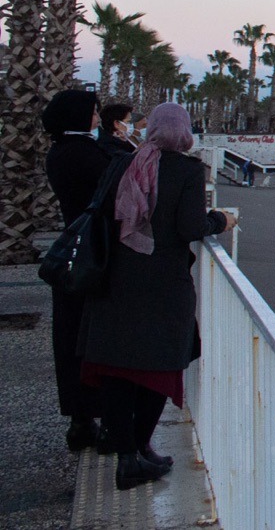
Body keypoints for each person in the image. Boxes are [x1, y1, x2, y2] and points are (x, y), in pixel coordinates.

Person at [78, 102, 236, 490]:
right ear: (183, 132)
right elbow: (190, 227)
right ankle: (137, 450)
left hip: (115, 280)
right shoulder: (187, 170)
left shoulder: (124, 163)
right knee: (159, 367)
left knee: (117, 366)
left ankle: (129, 455)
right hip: (163, 284)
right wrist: (222, 219)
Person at [40, 89, 112, 453]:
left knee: (69, 339)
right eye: (94, 112)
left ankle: (80, 420)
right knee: (92, 338)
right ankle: (96, 418)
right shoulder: (85, 154)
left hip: (73, 253)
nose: (98, 117)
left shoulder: (59, 152)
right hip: (92, 255)